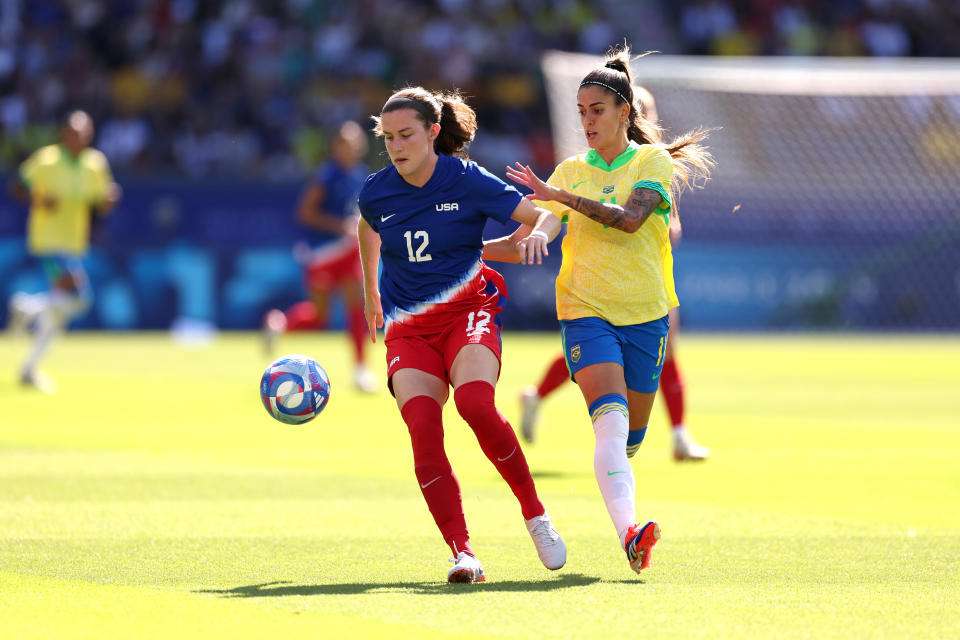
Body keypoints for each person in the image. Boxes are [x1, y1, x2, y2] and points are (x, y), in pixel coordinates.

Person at [491, 45, 715, 573]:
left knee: (630, 439)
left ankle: (632, 469)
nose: (587, 120)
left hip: (646, 316)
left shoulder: (651, 161)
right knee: (610, 428)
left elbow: (630, 220)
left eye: (597, 110)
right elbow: (539, 224)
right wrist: (470, 248)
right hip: (583, 310)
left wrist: (560, 201)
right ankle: (631, 534)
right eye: (581, 111)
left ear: (623, 112)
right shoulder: (570, 171)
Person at [357, 87, 566, 584]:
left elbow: (546, 215)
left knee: (474, 403)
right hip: (408, 327)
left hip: (468, 311)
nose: (397, 146)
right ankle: (463, 553)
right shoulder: (376, 190)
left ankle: (536, 516)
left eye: (407, 134)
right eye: (388, 138)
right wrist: (371, 296)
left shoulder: (467, 180)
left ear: (433, 133)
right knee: (424, 429)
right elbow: (367, 228)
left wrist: (538, 232)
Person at [7, 110, 121, 393]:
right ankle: (26, 308)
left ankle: (29, 367)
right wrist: (39, 198)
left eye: (85, 132)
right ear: (64, 133)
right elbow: (18, 188)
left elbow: (101, 203)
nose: (80, 137)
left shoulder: (94, 164)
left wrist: (109, 200)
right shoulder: (47, 160)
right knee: (80, 297)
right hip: (47, 241)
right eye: (74, 131)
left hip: (73, 243)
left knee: (58, 314)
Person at [262, 121, 377, 392]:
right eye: (345, 143)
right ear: (335, 146)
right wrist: (340, 226)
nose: (351, 147)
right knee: (319, 316)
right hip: (322, 254)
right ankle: (280, 324)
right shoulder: (327, 176)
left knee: (356, 306)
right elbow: (305, 213)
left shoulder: (361, 174)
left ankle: (361, 370)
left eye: (355, 142)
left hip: (348, 251)